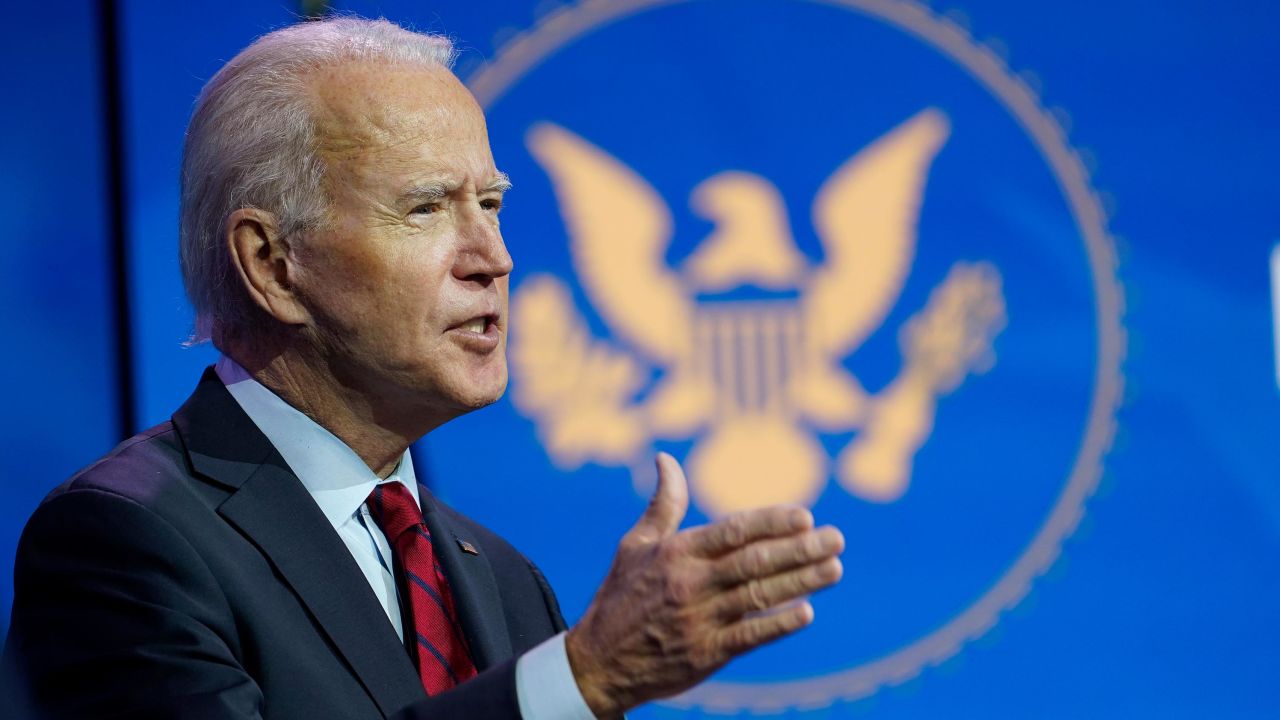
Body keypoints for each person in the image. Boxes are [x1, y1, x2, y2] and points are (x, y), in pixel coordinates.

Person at [4, 17, 844, 719]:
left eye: (492, 205)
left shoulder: (506, 583)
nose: (495, 258)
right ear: (271, 264)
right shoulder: (125, 541)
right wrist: (578, 682)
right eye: (426, 207)